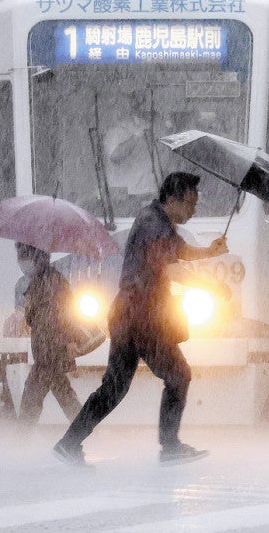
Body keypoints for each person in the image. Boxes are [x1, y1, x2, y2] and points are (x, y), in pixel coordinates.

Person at [53, 172, 228, 467]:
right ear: (173, 200)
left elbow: (178, 252)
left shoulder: (156, 220)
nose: (193, 210)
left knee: (114, 388)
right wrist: (212, 286)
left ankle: (69, 443)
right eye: (191, 204)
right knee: (178, 375)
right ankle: (170, 447)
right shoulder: (154, 223)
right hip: (142, 318)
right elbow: (173, 268)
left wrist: (209, 251)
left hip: (129, 315)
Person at [15, 243, 82, 425]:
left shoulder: (42, 281)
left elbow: (36, 317)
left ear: (34, 258)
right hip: (52, 347)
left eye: (23, 257)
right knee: (63, 393)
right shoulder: (53, 279)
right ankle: (84, 428)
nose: (21, 262)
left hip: (48, 348)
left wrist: (29, 307)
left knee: (33, 394)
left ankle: (20, 441)